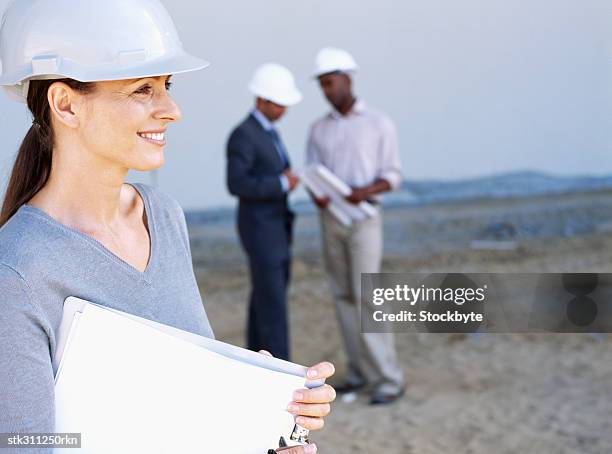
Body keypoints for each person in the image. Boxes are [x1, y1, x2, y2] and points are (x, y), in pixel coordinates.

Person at [0, 2, 334, 453]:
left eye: (167, 85)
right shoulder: (17, 271)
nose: (172, 109)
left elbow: (179, 409)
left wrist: (254, 404)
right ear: (66, 104)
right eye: (143, 89)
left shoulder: (162, 215)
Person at [306, 47, 405, 405]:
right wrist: (316, 194)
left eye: (330, 82)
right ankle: (359, 373)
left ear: (348, 78)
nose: (327, 90)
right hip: (330, 220)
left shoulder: (379, 123)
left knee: (368, 296)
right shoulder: (317, 130)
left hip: (365, 218)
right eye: (322, 84)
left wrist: (367, 189)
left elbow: (393, 174)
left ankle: (388, 379)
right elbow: (312, 171)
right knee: (343, 296)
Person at [226, 63, 301, 361]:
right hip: (260, 230)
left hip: (275, 228)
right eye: (281, 103)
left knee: (264, 300)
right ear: (263, 100)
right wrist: (282, 182)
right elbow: (237, 183)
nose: (284, 110)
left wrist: (283, 181)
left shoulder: (268, 133)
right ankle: (280, 367)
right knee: (272, 304)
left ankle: (257, 358)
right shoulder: (244, 135)